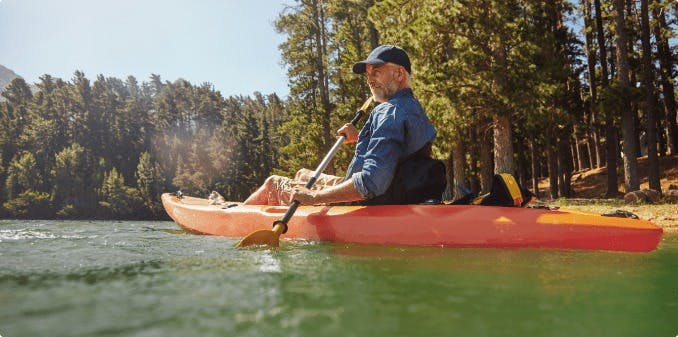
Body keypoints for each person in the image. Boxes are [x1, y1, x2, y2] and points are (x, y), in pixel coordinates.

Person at [243, 44, 442, 206]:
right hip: (393, 190)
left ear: (399, 74)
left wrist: (314, 198)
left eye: (377, 72)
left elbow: (372, 182)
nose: (370, 80)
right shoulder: (413, 107)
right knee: (302, 174)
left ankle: (234, 215)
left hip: (363, 200)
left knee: (272, 184)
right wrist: (361, 139)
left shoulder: (388, 110)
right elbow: (399, 156)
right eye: (368, 74)